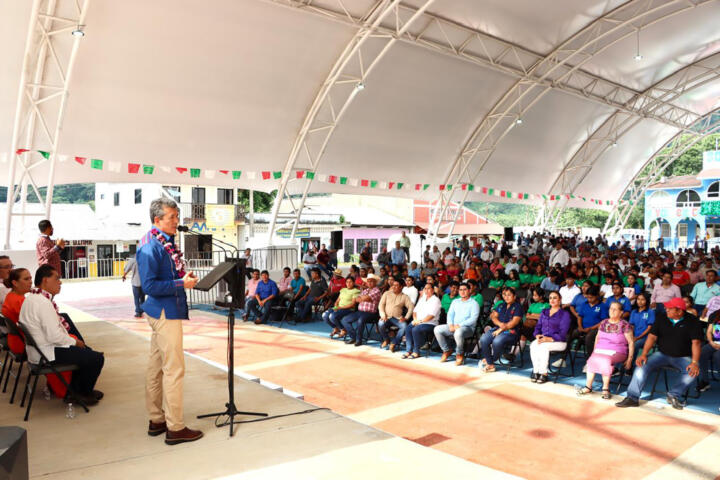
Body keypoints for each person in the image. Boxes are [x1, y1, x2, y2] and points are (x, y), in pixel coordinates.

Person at [136, 198, 202, 445]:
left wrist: (182, 277)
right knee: (174, 369)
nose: (177, 221)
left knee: (156, 368)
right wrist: (180, 283)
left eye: (177, 216)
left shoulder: (161, 241)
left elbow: (166, 274)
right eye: (172, 217)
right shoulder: (150, 247)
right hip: (165, 312)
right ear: (157, 220)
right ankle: (175, 427)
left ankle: (157, 419)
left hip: (160, 311)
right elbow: (150, 285)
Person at [19, 264, 105, 406]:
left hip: (40, 349)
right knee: (96, 358)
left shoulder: (32, 298)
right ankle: (81, 393)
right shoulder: (42, 303)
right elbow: (54, 336)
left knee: (87, 353)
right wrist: (75, 343)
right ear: (45, 280)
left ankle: (76, 391)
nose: (60, 282)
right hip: (46, 352)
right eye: (57, 278)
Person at [616, 297, 703, 410]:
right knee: (641, 365)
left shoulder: (693, 321)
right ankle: (632, 397)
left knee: (693, 371)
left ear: (679, 311)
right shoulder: (662, 317)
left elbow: (696, 343)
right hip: (661, 354)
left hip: (682, 357)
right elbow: (652, 337)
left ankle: (673, 395)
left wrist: (695, 362)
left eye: (669, 308)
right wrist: (644, 354)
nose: (666, 310)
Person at [576, 302, 634, 399]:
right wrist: (594, 352)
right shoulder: (604, 322)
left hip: (618, 352)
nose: (612, 311)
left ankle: (605, 388)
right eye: (611, 308)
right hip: (601, 350)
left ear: (621, 312)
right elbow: (597, 338)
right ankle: (588, 387)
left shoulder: (625, 325)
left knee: (605, 360)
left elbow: (631, 342)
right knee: (592, 359)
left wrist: (630, 359)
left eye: (615, 309)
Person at [529, 291, 571, 383]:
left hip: (559, 341)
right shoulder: (544, 312)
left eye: (555, 298)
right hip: (543, 339)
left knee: (543, 347)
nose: (552, 300)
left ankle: (544, 373)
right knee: (533, 345)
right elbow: (538, 326)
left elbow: (563, 333)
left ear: (560, 300)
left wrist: (548, 339)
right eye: (550, 298)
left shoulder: (565, 314)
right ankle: (536, 371)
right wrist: (537, 335)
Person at [434, 283, 479, 365]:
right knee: (437, 329)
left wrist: (459, 325)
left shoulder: (474, 303)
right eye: (460, 290)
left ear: (469, 291)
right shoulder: (455, 301)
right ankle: (446, 350)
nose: (462, 291)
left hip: (467, 328)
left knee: (458, 332)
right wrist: (450, 324)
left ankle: (459, 353)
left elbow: (473, 319)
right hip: (453, 326)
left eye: (465, 289)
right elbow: (450, 314)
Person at [480, 287, 523, 372]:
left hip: (512, 332)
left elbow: (514, 322)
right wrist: (500, 324)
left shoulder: (518, 307)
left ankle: (491, 360)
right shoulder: (501, 305)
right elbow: (493, 317)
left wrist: (501, 329)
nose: (506, 297)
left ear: (514, 296)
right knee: (483, 339)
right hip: (497, 328)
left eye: (509, 295)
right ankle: (491, 364)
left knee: (497, 341)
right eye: (504, 295)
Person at [341, 274, 382, 346]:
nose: (369, 283)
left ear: (375, 282)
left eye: (371, 281)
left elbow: (365, 298)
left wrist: (363, 298)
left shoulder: (377, 291)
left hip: (371, 313)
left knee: (361, 320)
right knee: (344, 320)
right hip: (360, 311)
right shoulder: (365, 290)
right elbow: (357, 299)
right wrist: (363, 298)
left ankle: (358, 340)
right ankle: (354, 337)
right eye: (368, 281)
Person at [403, 283, 441, 358]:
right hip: (418, 322)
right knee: (408, 328)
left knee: (415, 329)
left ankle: (416, 351)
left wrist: (420, 322)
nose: (426, 290)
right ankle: (408, 350)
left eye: (429, 288)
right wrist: (415, 320)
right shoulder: (422, 298)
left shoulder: (436, 300)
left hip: (430, 323)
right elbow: (415, 311)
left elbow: (431, 316)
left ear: (433, 290)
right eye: (425, 289)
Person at [378, 280, 415, 352]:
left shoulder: (404, 297)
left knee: (404, 326)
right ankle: (386, 339)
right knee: (380, 323)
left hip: (397, 318)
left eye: (396, 285)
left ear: (401, 287)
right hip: (386, 317)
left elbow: (411, 307)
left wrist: (406, 317)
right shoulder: (386, 293)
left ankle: (394, 342)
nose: (394, 287)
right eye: (393, 285)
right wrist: (383, 315)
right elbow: (381, 305)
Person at [2, 267, 32, 355]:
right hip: (24, 343)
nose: (30, 281)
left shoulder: (10, 296)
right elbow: (32, 325)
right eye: (26, 279)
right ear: (15, 283)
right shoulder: (18, 301)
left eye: (30, 278)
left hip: (16, 340)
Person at [696, 310, 720, 392]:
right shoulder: (715, 314)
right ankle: (705, 381)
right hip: (714, 343)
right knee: (702, 352)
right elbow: (709, 332)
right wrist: (711, 342)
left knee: (717, 356)